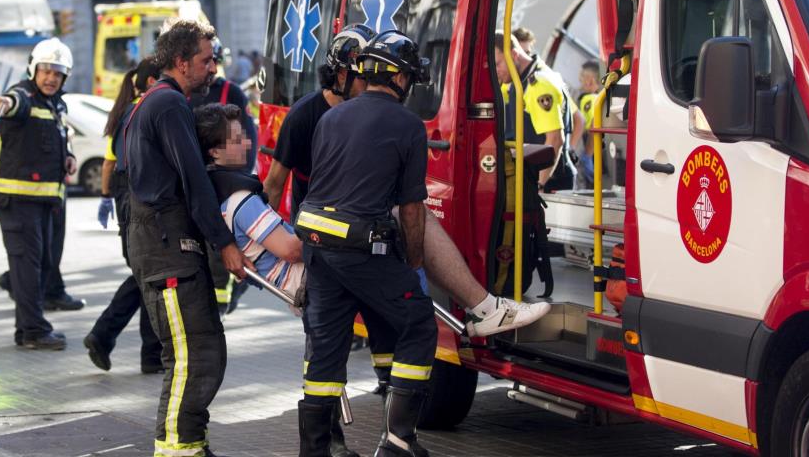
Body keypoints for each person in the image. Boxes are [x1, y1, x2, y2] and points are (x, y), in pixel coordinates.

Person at [266, 25, 549, 339]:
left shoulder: (350, 117)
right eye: (365, 75)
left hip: (353, 230)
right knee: (394, 324)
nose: (371, 82)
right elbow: (275, 184)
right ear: (342, 76)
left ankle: (473, 314)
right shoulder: (307, 116)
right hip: (324, 236)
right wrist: (280, 251)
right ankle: (483, 309)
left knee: (364, 335)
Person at [292, 30, 438, 457]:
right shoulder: (409, 125)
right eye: (409, 77)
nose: (410, 86)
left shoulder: (332, 117)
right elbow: (411, 208)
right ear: (397, 78)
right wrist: (413, 263)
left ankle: (315, 450)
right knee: (417, 321)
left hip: (318, 247)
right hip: (362, 248)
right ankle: (398, 441)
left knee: (326, 348)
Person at [124, 19, 252, 457]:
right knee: (193, 357)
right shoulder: (168, 105)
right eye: (205, 59)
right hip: (167, 248)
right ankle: (179, 450)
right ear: (181, 62)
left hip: (167, 245)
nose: (213, 67)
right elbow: (194, 180)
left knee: (201, 353)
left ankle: (190, 444)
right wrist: (226, 244)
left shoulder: (158, 103)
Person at [0, 37, 77, 350]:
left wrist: (69, 156)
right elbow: (14, 104)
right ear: (33, 70)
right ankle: (35, 331)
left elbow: (59, 139)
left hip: (43, 201)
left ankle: (26, 330)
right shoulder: (23, 94)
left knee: (38, 265)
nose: (51, 78)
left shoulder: (55, 105)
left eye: (58, 73)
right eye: (46, 71)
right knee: (29, 267)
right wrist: (7, 105)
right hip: (18, 201)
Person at [85, 57, 163, 374]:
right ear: (149, 82)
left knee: (145, 278)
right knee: (146, 277)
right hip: (137, 202)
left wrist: (106, 197)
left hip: (125, 199)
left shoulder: (124, 113)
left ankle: (146, 353)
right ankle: (104, 335)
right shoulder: (144, 111)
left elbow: (109, 162)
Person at [189, 38, 258, 315]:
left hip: (223, 181)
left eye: (214, 61)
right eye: (207, 62)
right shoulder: (183, 94)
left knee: (225, 256)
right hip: (198, 180)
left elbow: (246, 138)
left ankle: (222, 301)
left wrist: (240, 181)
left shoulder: (231, 92)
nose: (212, 68)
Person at [495, 31, 583, 191]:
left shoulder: (538, 84)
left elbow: (555, 139)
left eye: (497, 64)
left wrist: (540, 186)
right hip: (536, 177)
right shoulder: (520, 80)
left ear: (514, 54)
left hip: (549, 181)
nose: (496, 70)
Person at [576, 60, 601, 189]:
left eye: (582, 77)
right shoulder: (600, 99)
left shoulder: (588, 100)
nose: (580, 81)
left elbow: (592, 124)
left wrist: (587, 155)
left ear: (590, 80)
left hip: (589, 149)